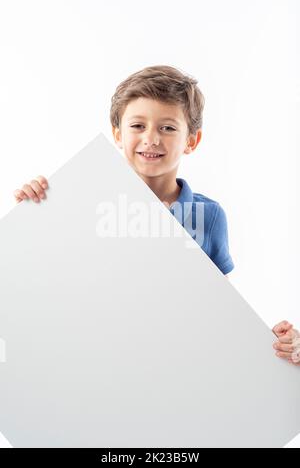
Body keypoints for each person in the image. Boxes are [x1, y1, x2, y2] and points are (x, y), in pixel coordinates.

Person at [13, 65, 299, 365]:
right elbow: (49, 284)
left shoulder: (208, 217)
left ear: (192, 141)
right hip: (96, 359)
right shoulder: (84, 204)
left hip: (171, 367)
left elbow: (219, 316)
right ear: (117, 134)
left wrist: (271, 343)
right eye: (138, 126)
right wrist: (34, 208)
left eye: (168, 127)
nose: (152, 139)